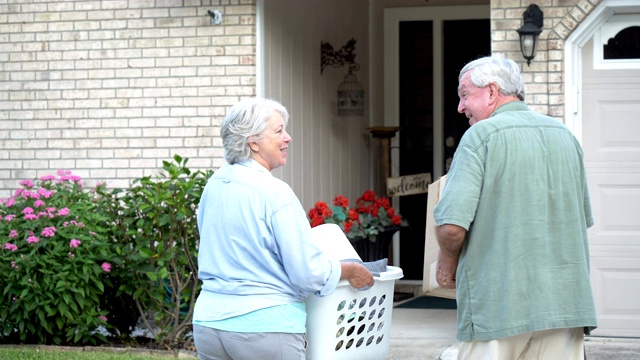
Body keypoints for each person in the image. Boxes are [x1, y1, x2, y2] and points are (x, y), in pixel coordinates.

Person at [433, 56, 597, 359]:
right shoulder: (566, 137)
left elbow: (452, 227)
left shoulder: (480, 136)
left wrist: (445, 264)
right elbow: (580, 220)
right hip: (564, 305)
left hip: (499, 307)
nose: (460, 106)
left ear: (492, 92)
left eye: (465, 95)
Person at [192, 97, 374, 360]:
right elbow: (307, 273)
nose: (288, 138)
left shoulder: (215, 184)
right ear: (252, 142)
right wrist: (351, 270)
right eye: (278, 131)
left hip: (209, 326)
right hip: (265, 328)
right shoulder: (275, 192)